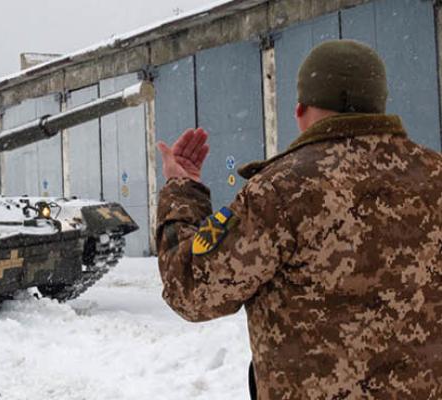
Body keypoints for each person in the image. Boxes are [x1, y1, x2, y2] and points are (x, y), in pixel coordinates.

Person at [155, 39, 442, 399]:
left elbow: (191, 289)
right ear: (379, 104)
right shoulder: (435, 176)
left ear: (301, 109)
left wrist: (183, 190)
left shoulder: (279, 191)